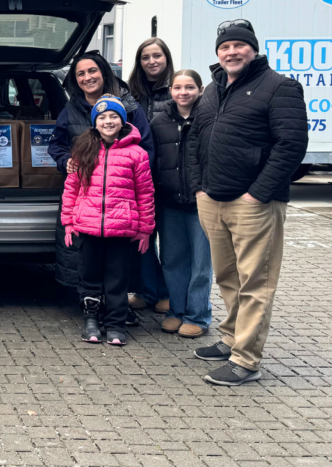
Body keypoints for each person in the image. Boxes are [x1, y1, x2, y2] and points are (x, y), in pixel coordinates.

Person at [188, 20, 307, 386]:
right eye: (225, 47)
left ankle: (247, 360)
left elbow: (291, 147)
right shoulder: (213, 89)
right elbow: (195, 140)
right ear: (217, 52)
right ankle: (231, 338)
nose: (231, 52)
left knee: (256, 282)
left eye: (239, 46)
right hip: (213, 198)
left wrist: (258, 193)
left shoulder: (279, 87)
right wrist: (199, 187)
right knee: (227, 276)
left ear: (253, 49)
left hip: (254, 203)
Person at [48, 51, 154, 300]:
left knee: (120, 260)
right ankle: (90, 304)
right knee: (85, 257)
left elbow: (146, 150)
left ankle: (119, 306)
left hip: (122, 200)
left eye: (92, 70)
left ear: (104, 73)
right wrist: (67, 162)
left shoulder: (129, 106)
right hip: (87, 199)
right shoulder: (71, 109)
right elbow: (56, 145)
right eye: (81, 73)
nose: (87, 77)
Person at [62, 95, 155, 347]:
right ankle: (91, 321)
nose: (108, 121)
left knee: (117, 280)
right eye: (102, 117)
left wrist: (146, 229)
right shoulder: (83, 150)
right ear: (94, 123)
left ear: (123, 120)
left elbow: (145, 192)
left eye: (114, 116)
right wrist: (69, 221)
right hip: (88, 228)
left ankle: (116, 324)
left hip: (121, 230)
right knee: (89, 277)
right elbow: (71, 188)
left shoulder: (137, 153)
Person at [150, 69, 211, 339]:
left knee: (201, 263)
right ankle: (176, 311)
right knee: (172, 260)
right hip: (170, 203)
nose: (183, 92)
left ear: (199, 89)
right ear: (170, 91)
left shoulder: (209, 118)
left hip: (202, 204)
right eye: (177, 87)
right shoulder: (158, 121)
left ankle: (197, 316)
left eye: (189, 87)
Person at [125, 38, 175, 314]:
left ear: (166, 58)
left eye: (157, 56)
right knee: (140, 240)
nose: (152, 61)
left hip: (168, 178)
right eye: (146, 57)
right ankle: (147, 290)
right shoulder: (130, 94)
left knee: (169, 244)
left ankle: (167, 293)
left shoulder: (176, 90)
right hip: (137, 180)